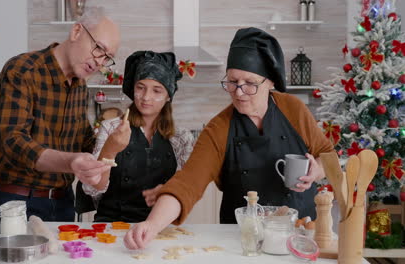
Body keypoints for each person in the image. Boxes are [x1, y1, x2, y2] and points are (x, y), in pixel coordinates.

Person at [123, 27, 334, 249]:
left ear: (270, 82)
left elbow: (327, 155)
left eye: (250, 83)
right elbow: (188, 183)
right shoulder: (219, 128)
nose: (239, 92)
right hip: (243, 239)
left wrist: (315, 171)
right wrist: (152, 224)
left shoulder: (294, 109)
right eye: (232, 82)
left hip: (300, 232)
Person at [0, 7, 120, 236]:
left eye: (106, 57)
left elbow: (83, 138)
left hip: (63, 202)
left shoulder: (79, 85)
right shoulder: (22, 71)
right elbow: (13, 142)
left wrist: (112, 143)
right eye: (98, 48)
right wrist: (71, 162)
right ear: (76, 31)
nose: (99, 62)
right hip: (18, 200)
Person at [80, 50, 194, 222]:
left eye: (157, 91)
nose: (146, 97)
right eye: (140, 88)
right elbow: (92, 188)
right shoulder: (111, 127)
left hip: (159, 225)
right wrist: (110, 150)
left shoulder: (181, 138)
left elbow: (187, 189)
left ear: (168, 97)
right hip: (112, 225)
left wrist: (169, 192)